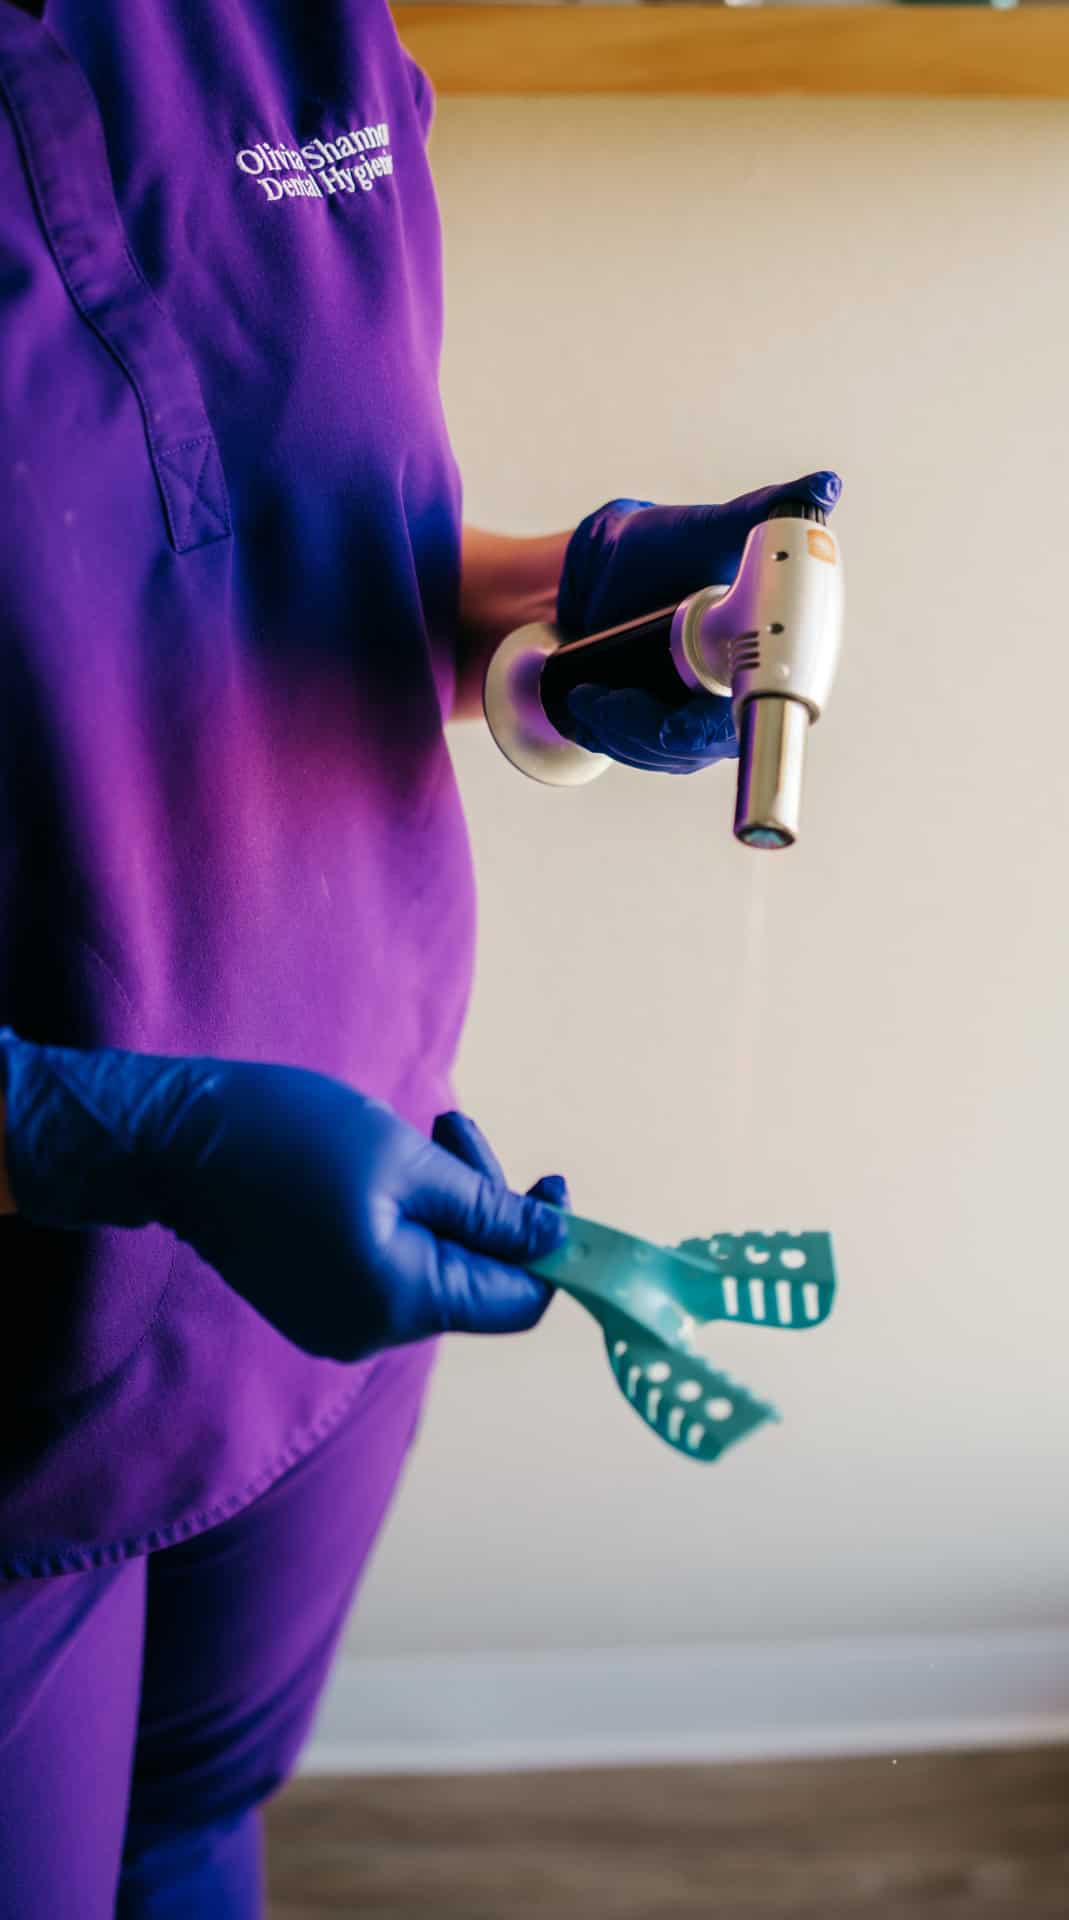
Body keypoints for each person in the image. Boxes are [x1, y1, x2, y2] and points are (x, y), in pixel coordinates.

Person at [0, 1, 842, 1912]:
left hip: (334, 1245)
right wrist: (90, 1131)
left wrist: (596, 605)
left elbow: (275, 539)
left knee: (198, 1838)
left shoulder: (283, 27)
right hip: (29, 1347)